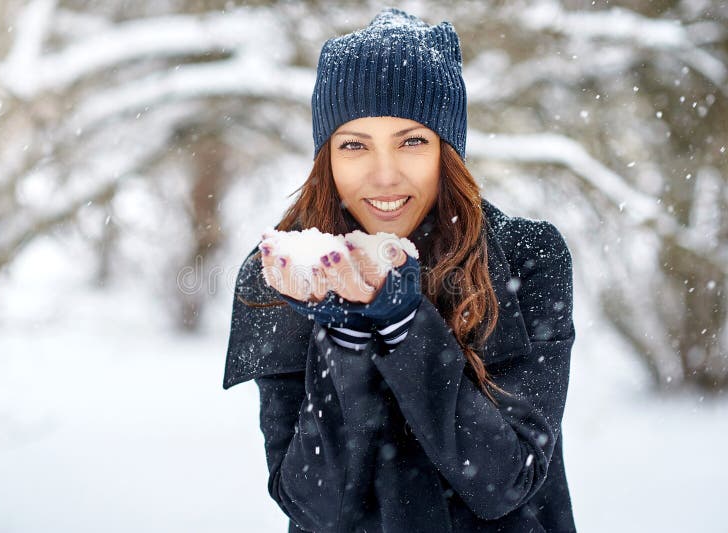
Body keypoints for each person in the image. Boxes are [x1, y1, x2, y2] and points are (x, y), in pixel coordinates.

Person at [222, 7, 576, 533]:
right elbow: (311, 503)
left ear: (446, 150)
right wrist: (342, 338)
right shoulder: (280, 276)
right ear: (327, 156)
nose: (384, 176)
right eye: (354, 145)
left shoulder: (528, 258)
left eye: (412, 141)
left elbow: (505, 481)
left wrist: (405, 327)